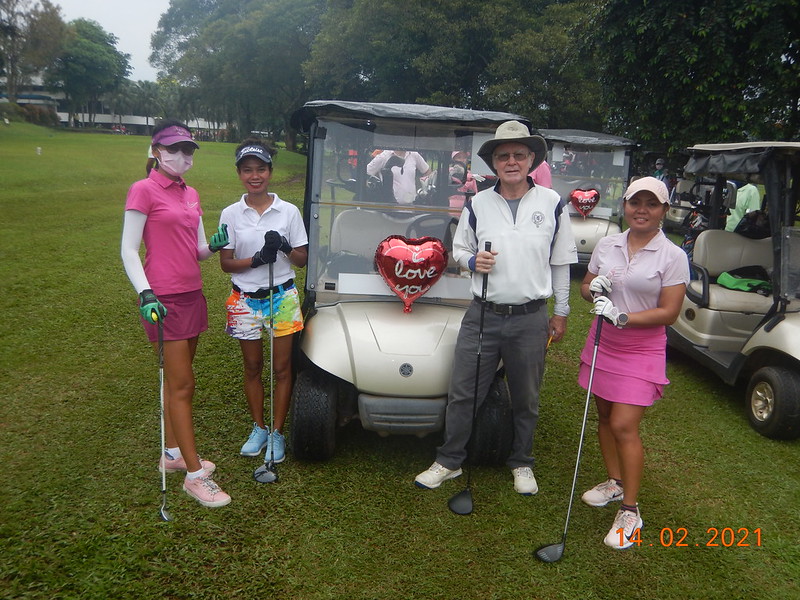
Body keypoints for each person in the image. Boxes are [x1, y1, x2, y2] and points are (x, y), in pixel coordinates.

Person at [414, 121, 578, 495]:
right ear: (494, 163)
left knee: (526, 396)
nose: (511, 161)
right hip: (483, 313)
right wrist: (473, 262)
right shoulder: (478, 203)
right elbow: (459, 250)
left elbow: (560, 262)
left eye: (519, 154)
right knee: (464, 392)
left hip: (531, 317)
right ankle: (449, 460)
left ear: (532, 159)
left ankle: (522, 462)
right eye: (503, 156)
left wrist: (562, 311)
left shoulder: (552, 203)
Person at [121, 119, 232, 508]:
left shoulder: (191, 193)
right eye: (174, 149)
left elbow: (197, 250)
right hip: (162, 300)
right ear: (156, 151)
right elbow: (128, 249)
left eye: (187, 150)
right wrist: (145, 293)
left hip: (192, 294)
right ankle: (195, 476)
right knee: (183, 386)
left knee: (177, 383)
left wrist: (213, 246)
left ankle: (171, 454)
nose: (182, 156)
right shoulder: (143, 189)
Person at [577, 176, 689, 549]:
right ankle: (615, 481)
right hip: (603, 342)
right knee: (605, 416)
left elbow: (669, 313)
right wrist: (593, 289)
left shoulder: (672, 256)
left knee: (624, 425)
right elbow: (586, 285)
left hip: (641, 348)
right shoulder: (607, 243)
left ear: (664, 210)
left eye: (651, 204)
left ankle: (630, 509)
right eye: (635, 202)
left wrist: (622, 317)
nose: (642, 210)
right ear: (624, 205)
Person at [218, 139, 308, 463]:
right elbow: (226, 263)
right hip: (244, 300)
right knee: (253, 366)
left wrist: (283, 246)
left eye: (260, 169)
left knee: (282, 368)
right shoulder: (230, 213)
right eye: (247, 170)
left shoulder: (289, 211)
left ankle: (277, 432)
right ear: (239, 173)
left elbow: (301, 260)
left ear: (270, 171)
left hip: (281, 297)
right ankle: (258, 427)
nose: (254, 176)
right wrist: (256, 259)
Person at [366, 149, 432, 205]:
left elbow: (427, 171)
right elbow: (366, 173)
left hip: (411, 207)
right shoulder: (383, 156)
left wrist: (424, 189)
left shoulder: (414, 155)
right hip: (389, 207)